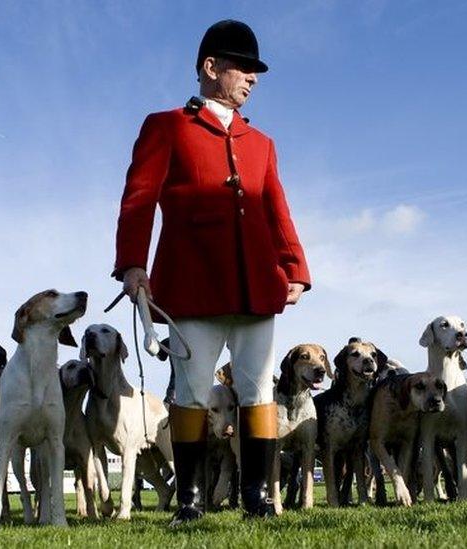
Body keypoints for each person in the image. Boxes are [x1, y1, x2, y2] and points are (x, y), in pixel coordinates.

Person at [113, 19, 310, 526]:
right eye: (244, 68)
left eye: (256, 72)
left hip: (255, 284)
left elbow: (276, 208)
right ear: (211, 67)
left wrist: (295, 268)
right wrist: (134, 263)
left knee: (259, 391)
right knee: (192, 392)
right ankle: (190, 502)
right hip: (192, 284)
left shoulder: (262, 142)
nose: (253, 78)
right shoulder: (165, 126)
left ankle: (257, 500)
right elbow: (139, 201)